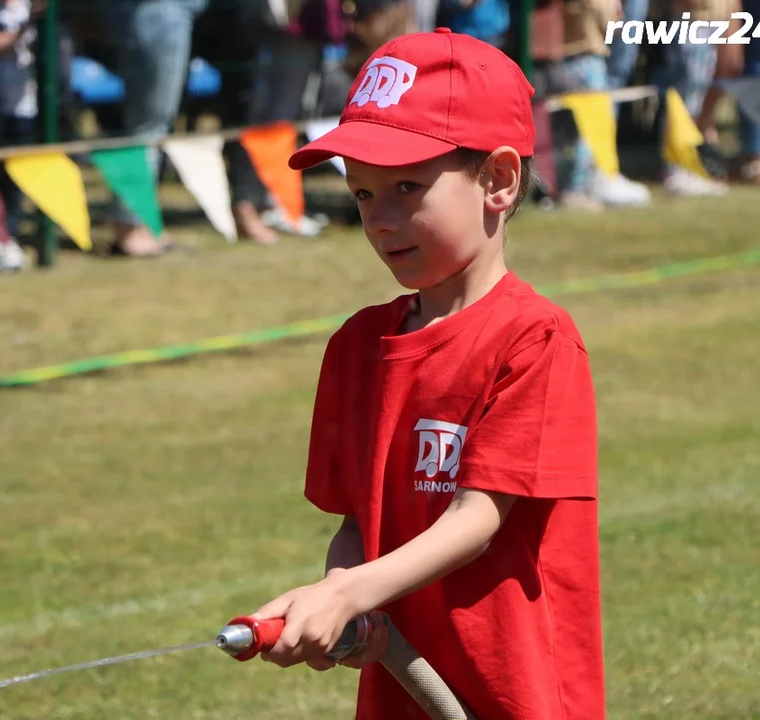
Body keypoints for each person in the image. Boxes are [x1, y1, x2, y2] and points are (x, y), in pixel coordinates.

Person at [247, 28, 605, 720]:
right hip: (400, 690)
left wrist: (350, 595)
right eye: (360, 196)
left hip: (516, 692)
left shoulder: (534, 339)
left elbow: (479, 518)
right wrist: (342, 598)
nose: (380, 221)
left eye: (407, 187)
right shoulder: (357, 346)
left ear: (497, 180)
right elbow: (357, 517)